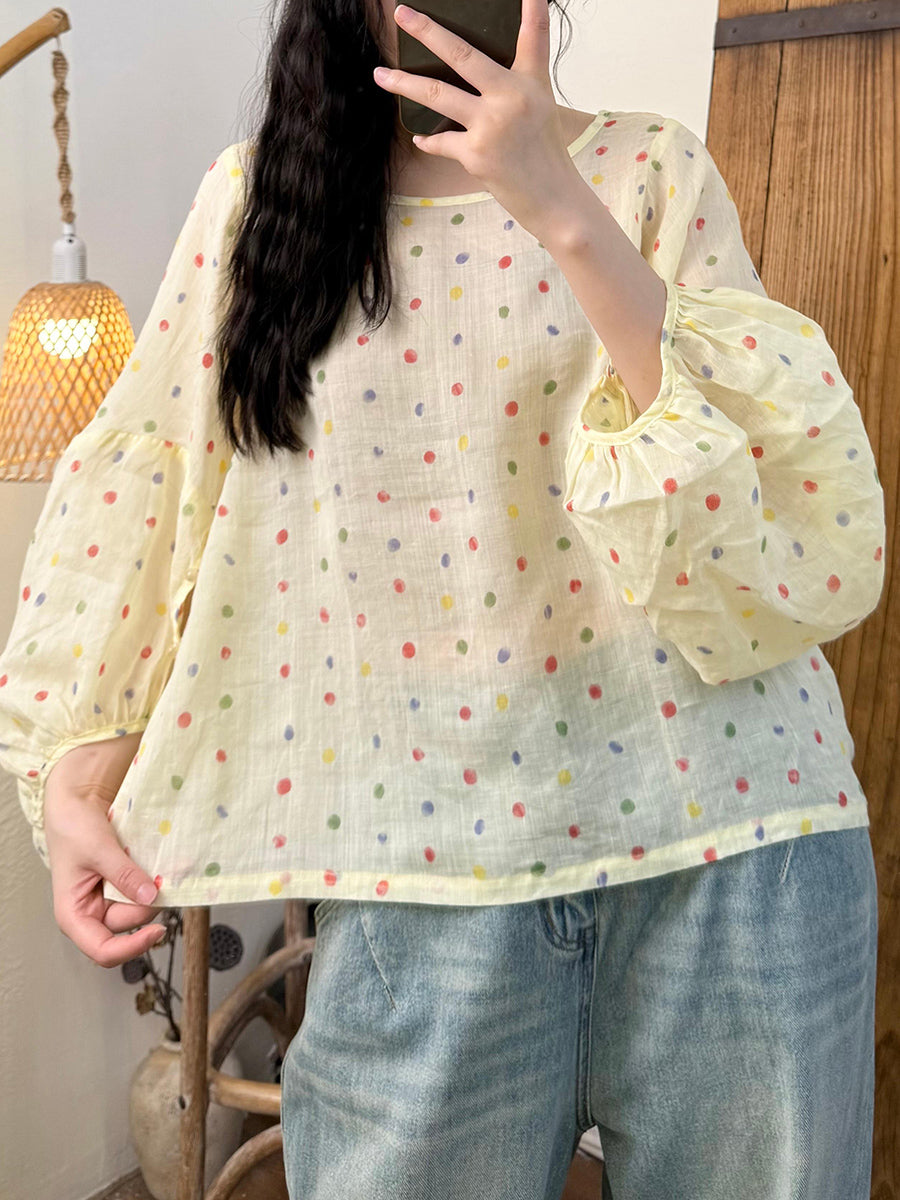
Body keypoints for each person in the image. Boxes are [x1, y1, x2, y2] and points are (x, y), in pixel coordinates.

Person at [0, 0, 884, 1196]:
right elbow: (155, 486)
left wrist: (557, 202)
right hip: (416, 879)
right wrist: (72, 764)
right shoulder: (256, 204)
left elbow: (773, 532)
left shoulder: (650, 170)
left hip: (731, 849)